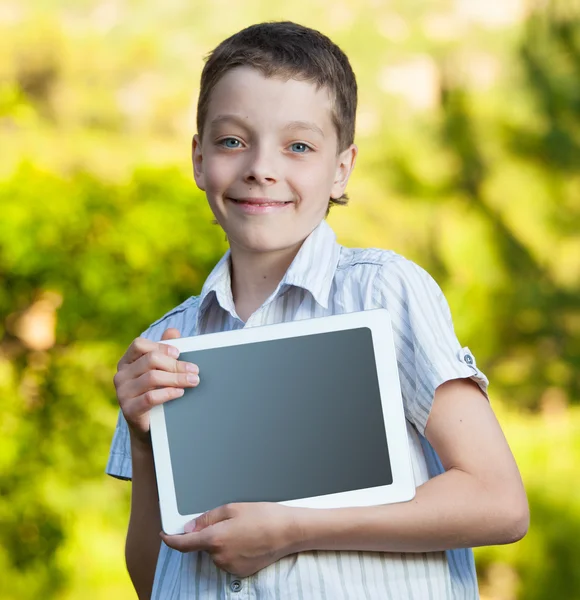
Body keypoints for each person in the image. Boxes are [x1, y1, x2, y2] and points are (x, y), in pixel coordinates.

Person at [107, 21, 528, 600]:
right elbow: (154, 579)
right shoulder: (167, 342)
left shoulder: (382, 293)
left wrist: (294, 530)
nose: (261, 167)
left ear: (341, 169)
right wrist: (144, 441)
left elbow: (497, 503)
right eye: (233, 141)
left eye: (298, 146)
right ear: (199, 159)